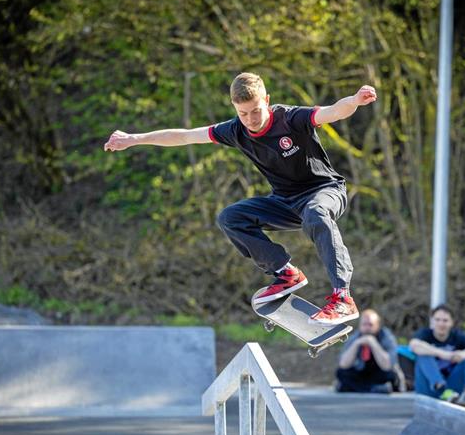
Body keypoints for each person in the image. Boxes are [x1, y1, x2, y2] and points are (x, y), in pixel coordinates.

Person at [104, 73, 377, 324]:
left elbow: (332, 112)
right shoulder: (235, 130)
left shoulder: (290, 118)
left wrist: (354, 100)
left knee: (316, 213)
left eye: (256, 111)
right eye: (243, 113)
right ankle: (285, 272)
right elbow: (185, 136)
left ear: (266, 101)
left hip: (324, 192)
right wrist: (133, 139)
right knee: (230, 218)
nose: (250, 119)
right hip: (285, 202)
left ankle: (343, 297)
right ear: (235, 109)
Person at [408, 304, 465, 406]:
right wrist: (444, 354)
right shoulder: (425, 334)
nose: (441, 324)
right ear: (432, 321)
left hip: (452, 391)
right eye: (437, 320)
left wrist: (464, 354)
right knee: (423, 354)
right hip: (428, 388)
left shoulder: (457, 336)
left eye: (445, 320)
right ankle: (440, 387)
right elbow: (413, 345)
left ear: (451, 322)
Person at [335, 309, 399, 393]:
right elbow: (343, 364)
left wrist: (373, 343)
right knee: (341, 373)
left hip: (379, 373)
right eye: (364, 324)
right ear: (360, 325)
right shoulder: (355, 337)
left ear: (378, 325)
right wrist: (356, 344)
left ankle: (356, 388)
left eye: (370, 325)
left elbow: (387, 366)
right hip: (361, 372)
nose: (367, 328)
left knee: (391, 376)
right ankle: (375, 389)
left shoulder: (386, 337)